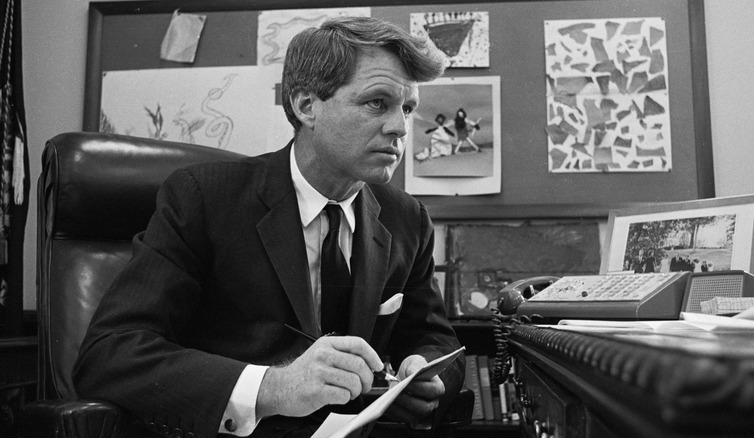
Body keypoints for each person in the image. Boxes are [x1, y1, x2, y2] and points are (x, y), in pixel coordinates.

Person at [73, 16, 464, 438]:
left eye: (407, 108)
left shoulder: (407, 219)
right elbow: (109, 354)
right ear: (306, 105)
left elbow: (436, 341)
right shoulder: (203, 198)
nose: (399, 128)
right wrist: (272, 388)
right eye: (376, 103)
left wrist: (427, 374)